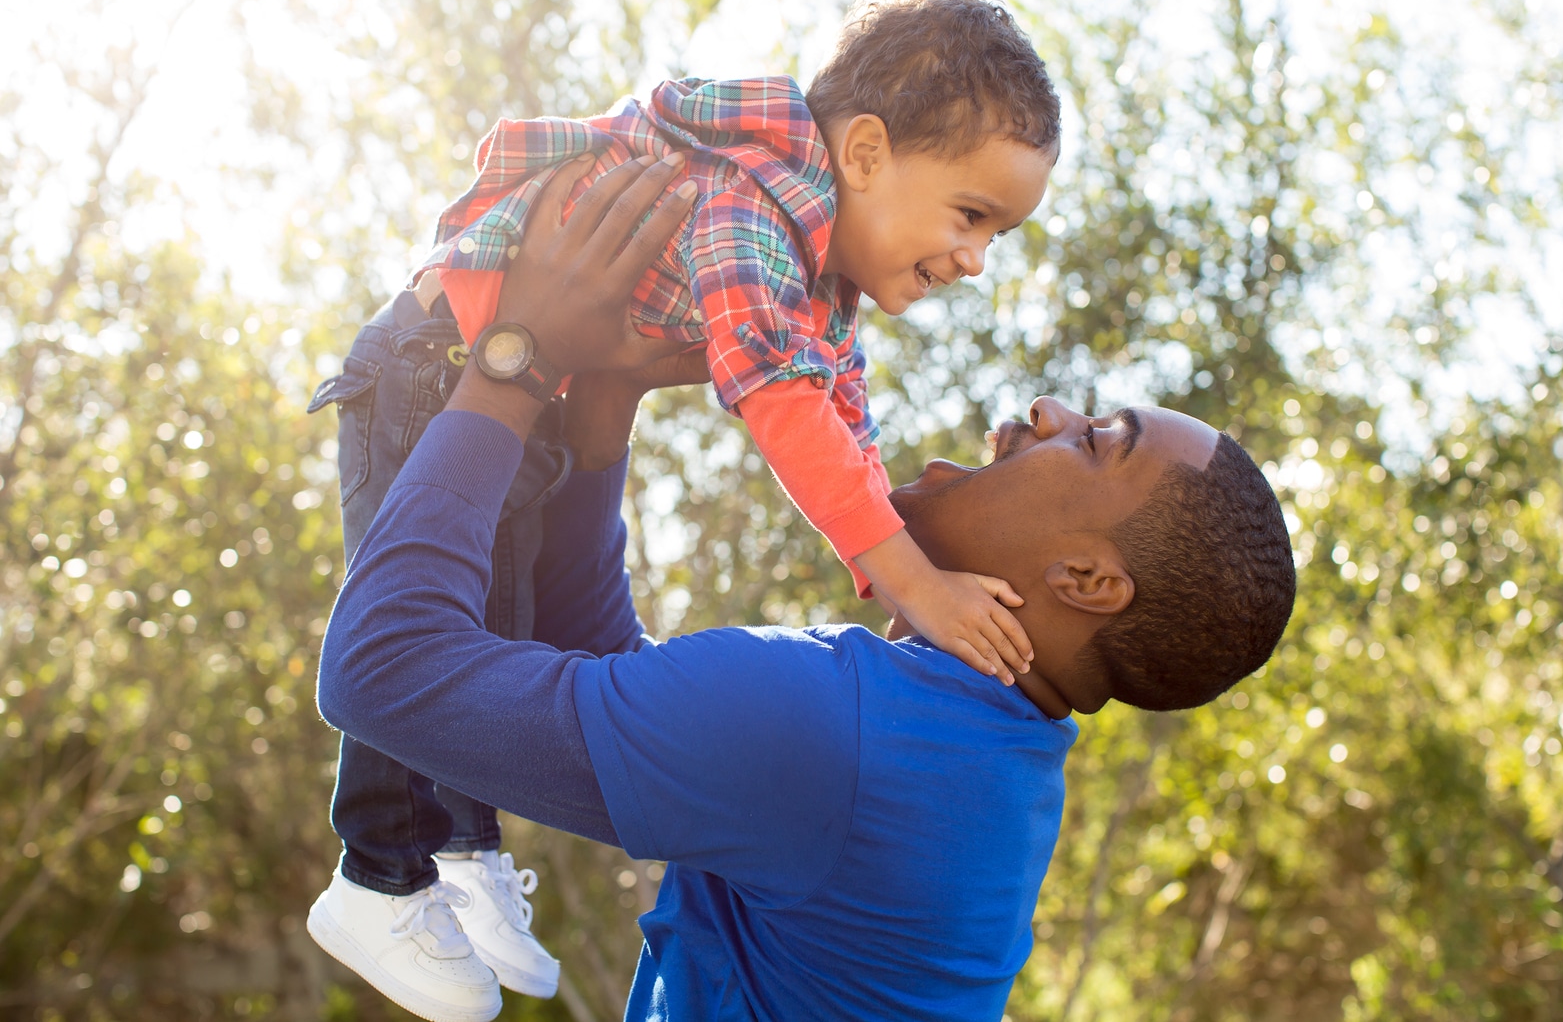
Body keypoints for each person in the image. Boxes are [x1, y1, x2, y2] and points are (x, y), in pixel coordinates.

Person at [312, 158, 1297, 1021]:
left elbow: (381, 671)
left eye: (1095, 438)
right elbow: (617, 683)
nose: (1048, 407)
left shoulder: (845, 733)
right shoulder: (965, 751)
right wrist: (606, 394)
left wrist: (515, 359)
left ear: (1085, 580)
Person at [306, 0, 1063, 1008]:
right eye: (972, 215)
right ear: (869, 153)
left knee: (502, 610)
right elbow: (785, 408)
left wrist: (888, 557)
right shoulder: (754, 210)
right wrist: (912, 581)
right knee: (448, 610)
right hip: (433, 361)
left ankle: (459, 849)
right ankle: (379, 874)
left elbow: (844, 421)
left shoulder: (818, 280)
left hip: (522, 383)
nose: (975, 258)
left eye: (999, 235)